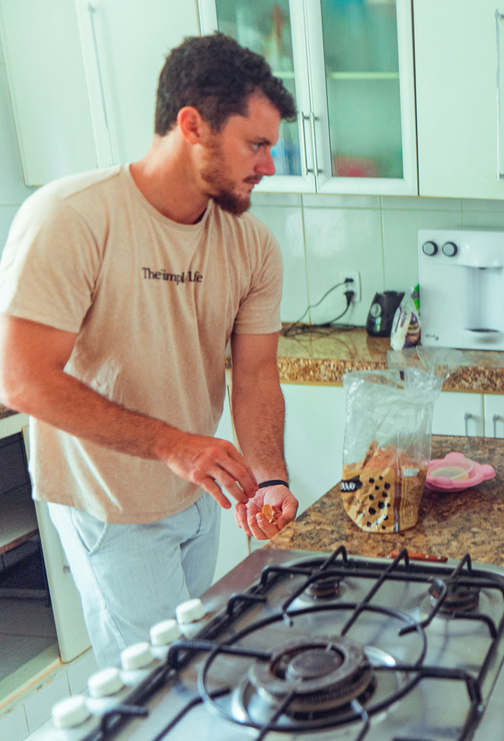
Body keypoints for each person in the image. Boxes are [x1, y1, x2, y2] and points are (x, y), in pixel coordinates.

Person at [0, 34, 299, 668]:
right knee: (154, 690)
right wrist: (176, 445)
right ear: (192, 125)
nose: (268, 166)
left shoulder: (252, 246)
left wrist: (270, 477)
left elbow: (255, 376)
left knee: (191, 670)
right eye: (257, 144)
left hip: (198, 498)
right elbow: (21, 381)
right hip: (109, 504)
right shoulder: (71, 218)